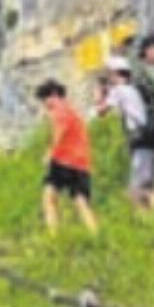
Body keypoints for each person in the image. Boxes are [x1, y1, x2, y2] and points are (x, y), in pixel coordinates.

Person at [96, 59, 154, 212]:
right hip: (152, 138)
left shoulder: (119, 90)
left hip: (141, 141)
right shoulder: (133, 89)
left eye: (109, 74)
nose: (109, 78)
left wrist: (100, 94)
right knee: (151, 187)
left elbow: (100, 112)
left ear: (115, 73)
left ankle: (150, 224)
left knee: (136, 191)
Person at [36, 79, 98, 235]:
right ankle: (96, 235)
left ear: (54, 94)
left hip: (64, 161)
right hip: (81, 163)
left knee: (48, 198)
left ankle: (54, 237)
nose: (45, 104)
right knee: (80, 201)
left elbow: (60, 130)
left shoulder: (60, 109)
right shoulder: (72, 111)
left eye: (45, 99)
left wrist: (50, 152)